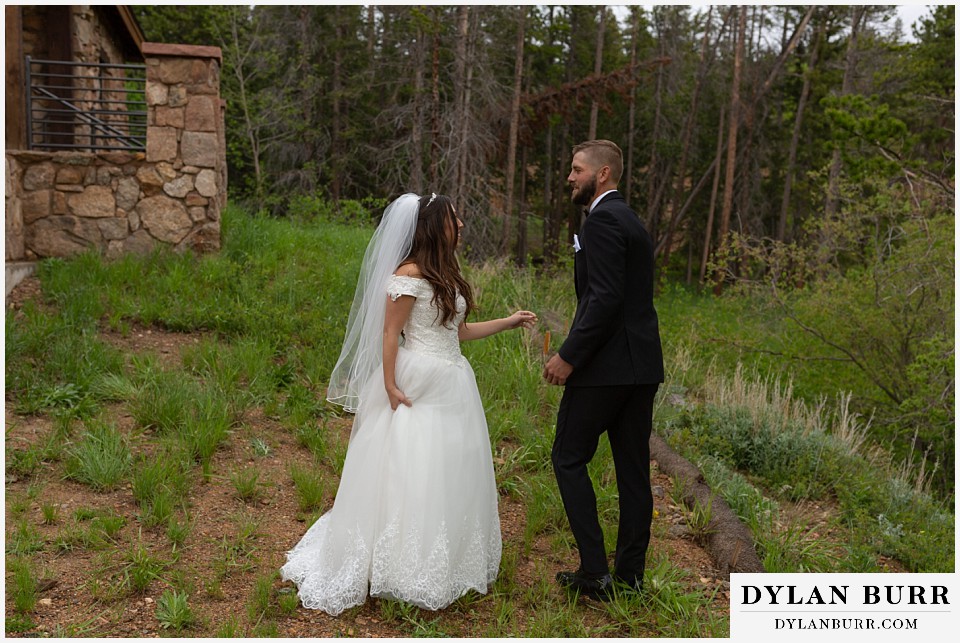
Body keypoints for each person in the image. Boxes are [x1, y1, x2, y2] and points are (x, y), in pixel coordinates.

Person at [281, 192, 537, 615]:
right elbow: (389, 334)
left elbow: (458, 331)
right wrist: (388, 384)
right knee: (411, 464)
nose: (461, 226)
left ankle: (445, 558)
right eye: (456, 219)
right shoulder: (408, 274)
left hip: (453, 380)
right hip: (416, 379)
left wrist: (509, 322)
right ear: (436, 225)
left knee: (449, 466)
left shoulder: (445, 273)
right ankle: (396, 563)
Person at [542, 140, 664, 600]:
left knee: (567, 457)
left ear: (604, 174)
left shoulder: (604, 219)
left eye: (577, 170)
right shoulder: (630, 219)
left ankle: (595, 572)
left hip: (605, 369)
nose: (570, 178)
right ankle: (630, 579)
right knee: (633, 473)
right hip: (641, 368)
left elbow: (604, 298)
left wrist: (569, 355)